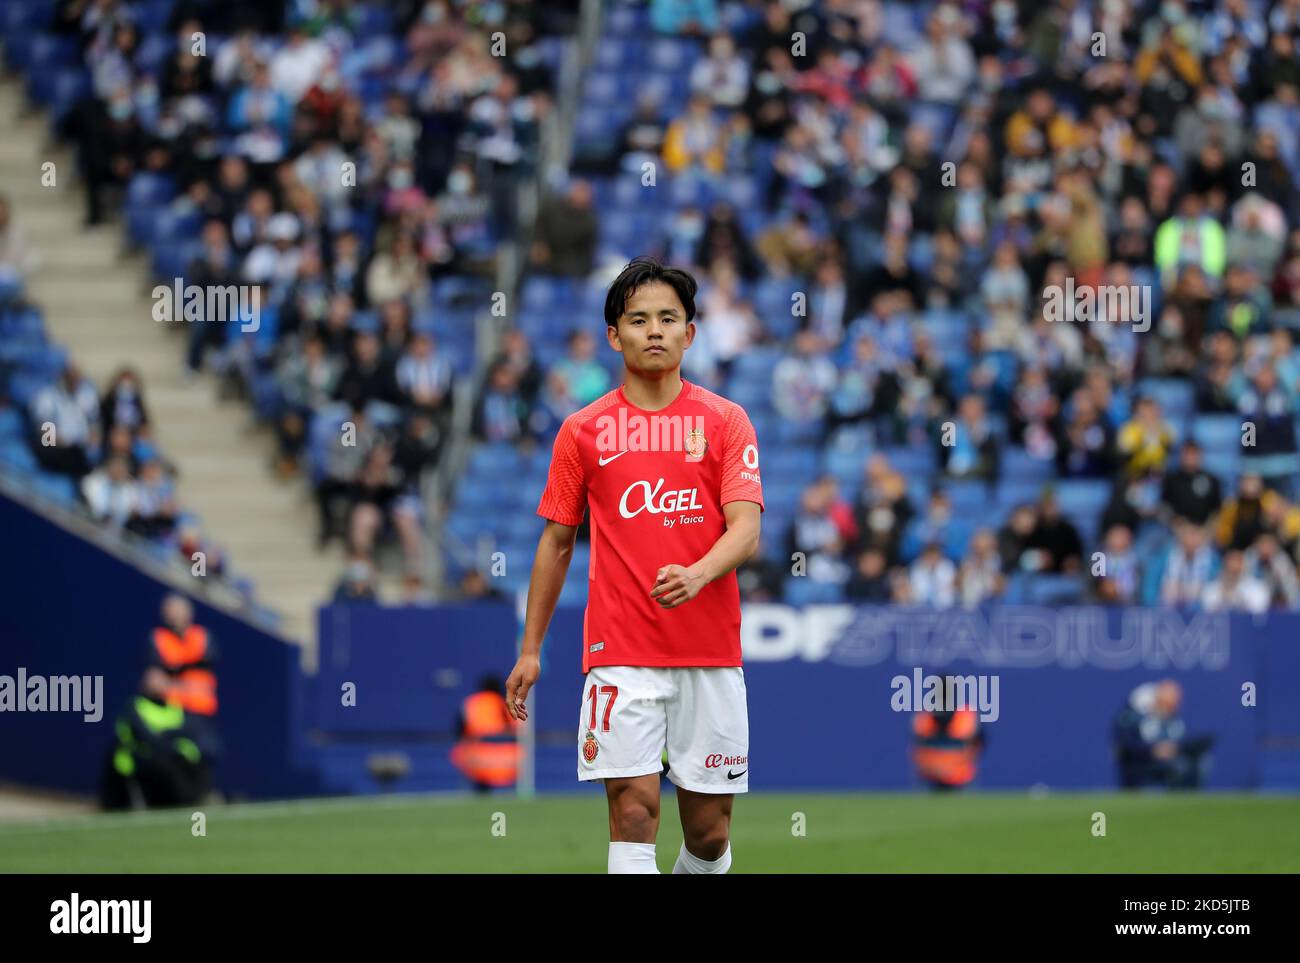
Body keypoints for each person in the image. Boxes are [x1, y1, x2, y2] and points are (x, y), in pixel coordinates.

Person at [506, 257, 763, 874]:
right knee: (635, 813)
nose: (654, 330)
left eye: (668, 319)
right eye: (638, 319)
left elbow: (747, 527)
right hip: (620, 650)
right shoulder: (583, 431)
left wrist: (699, 573)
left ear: (690, 334)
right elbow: (557, 543)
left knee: (708, 834)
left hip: (708, 653)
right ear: (613, 336)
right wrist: (531, 648)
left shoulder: (726, 422)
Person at [1112, 680, 1214, 789]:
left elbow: (1188, 740)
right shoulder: (1137, 719)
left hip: (1171, 761)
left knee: (1198, 762)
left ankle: (1188, 801)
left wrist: (1174, 748)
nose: (1176, 702)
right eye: (1171, 698)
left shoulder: (1175, 722)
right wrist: (1153, 750)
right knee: (1177, 766)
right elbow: (1126, 745)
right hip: (1144, 762)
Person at [450, 675, 521, 792]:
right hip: (511, 761)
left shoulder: (471, 703)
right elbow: (519, 732)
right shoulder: (510, 704)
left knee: (460, 750)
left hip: (478, 762)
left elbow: (459, 732)